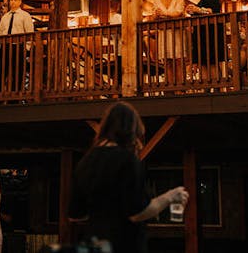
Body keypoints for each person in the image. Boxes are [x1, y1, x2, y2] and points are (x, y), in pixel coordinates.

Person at [69, 102, 189, 253]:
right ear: (131, 130)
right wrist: (170, 196)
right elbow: (137, 213)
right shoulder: (127, 160)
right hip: (124, 245)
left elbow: (76, 215)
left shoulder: (85, 162)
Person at [185, 0, 223, 82]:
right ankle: (208, 85)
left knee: (211, 62)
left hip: (209, 35)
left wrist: (197, 9)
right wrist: (192, 11)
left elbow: (211, 11)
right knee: (204, 62)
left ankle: (216, 85)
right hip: (203, 35)